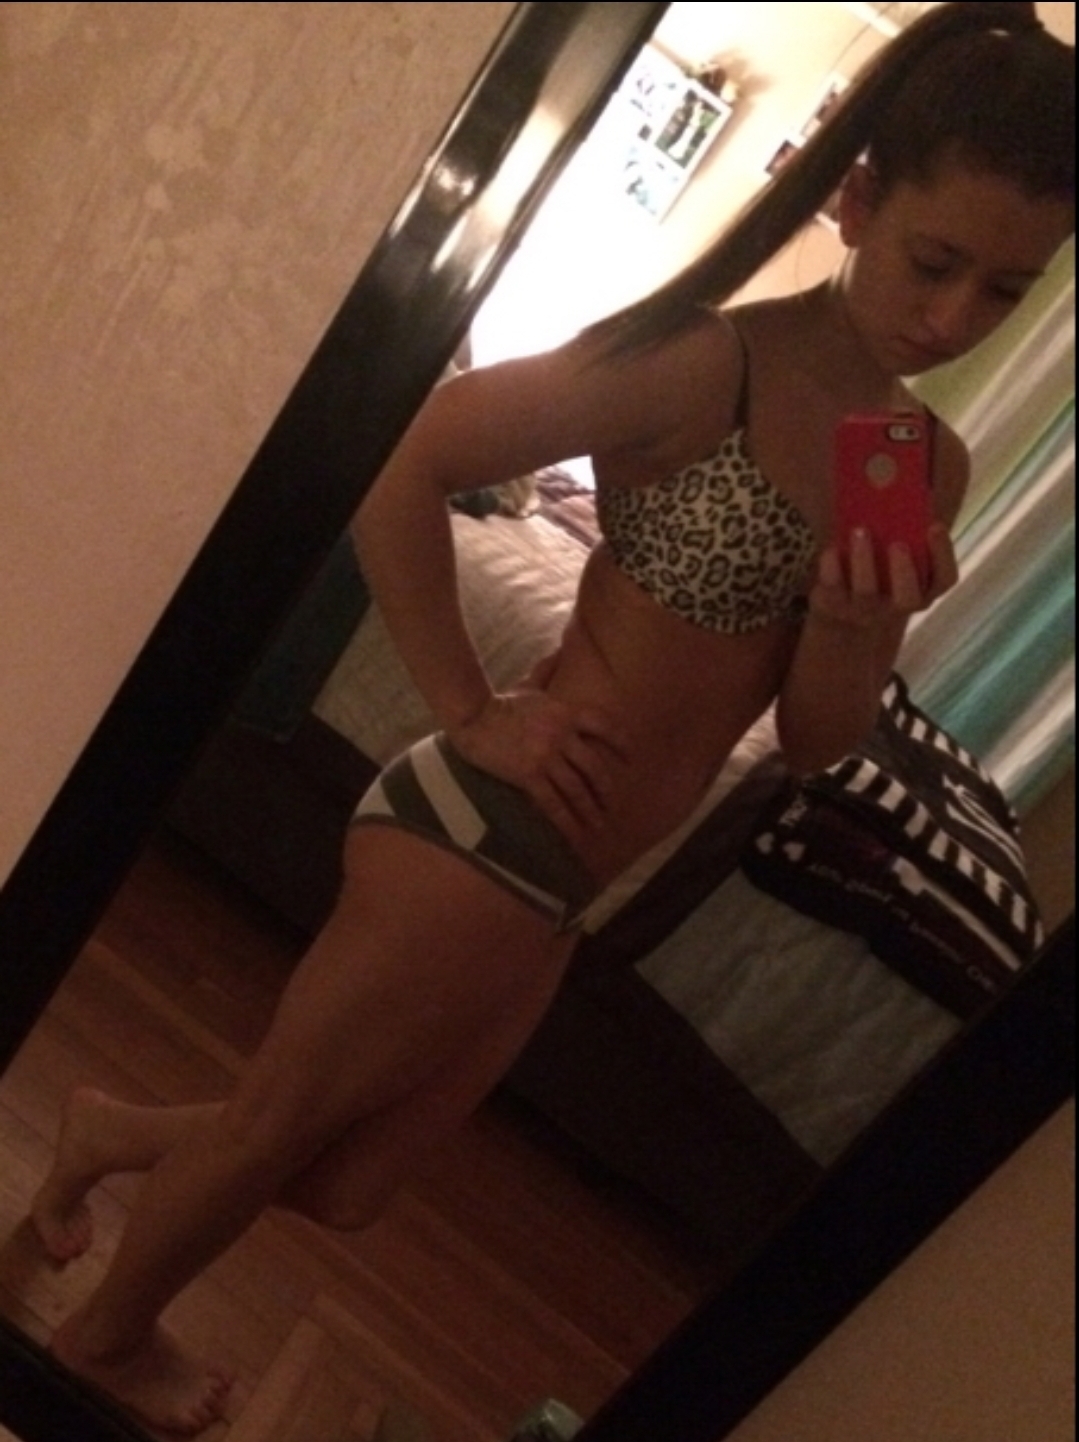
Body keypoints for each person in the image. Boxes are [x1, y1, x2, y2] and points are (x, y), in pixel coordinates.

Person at [28, 3, 1074, 1433]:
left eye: (1005, 291)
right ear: (858, 200)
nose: (951, 319)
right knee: (277, 1126)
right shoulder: (706, 363)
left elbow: (819, 743)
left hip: (567, 883)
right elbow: (408, 457)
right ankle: (101, 1339)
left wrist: (851, 620)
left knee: (347, 1180)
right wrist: (468, 704)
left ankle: (106, 1135)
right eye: (933, 262)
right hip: (486, 825)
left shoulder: (919, 464)